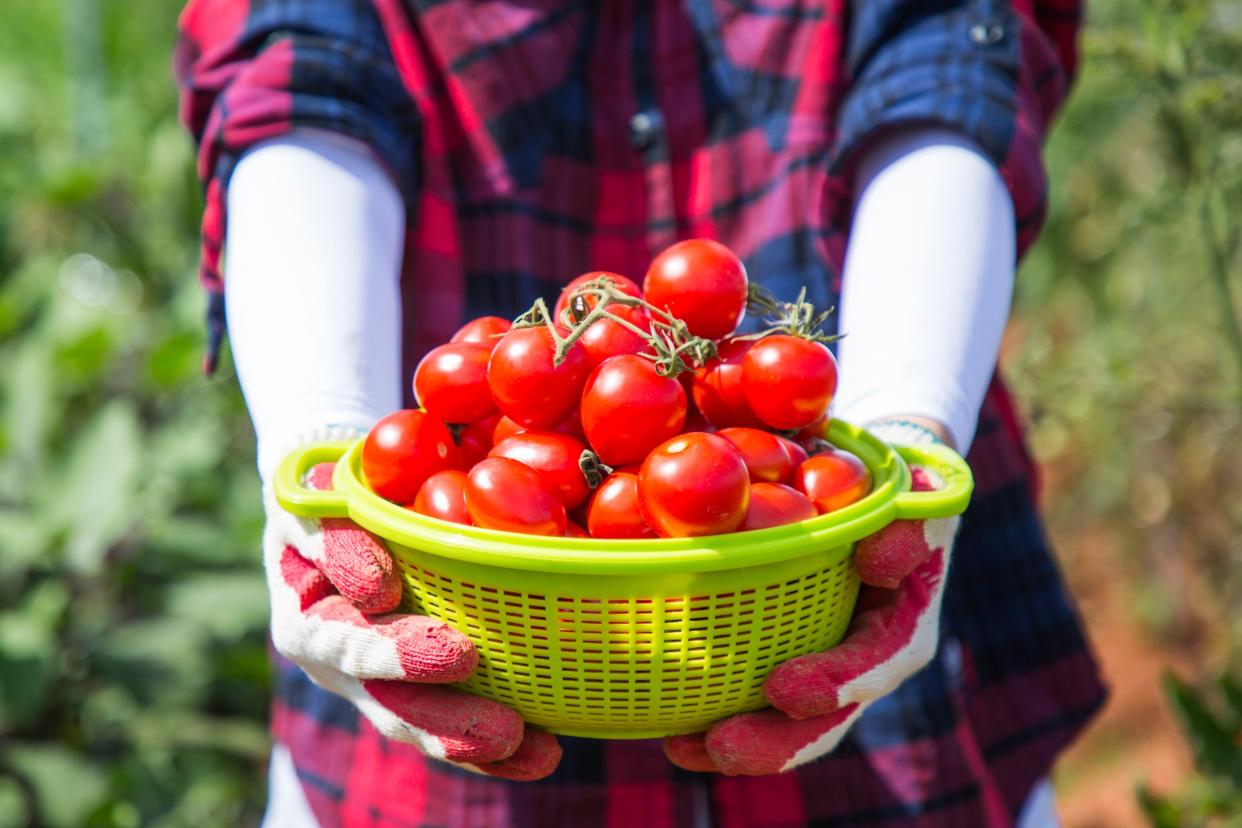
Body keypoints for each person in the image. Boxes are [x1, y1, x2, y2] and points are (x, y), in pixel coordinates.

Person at [175, 0, 1106, 825]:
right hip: (450, 709)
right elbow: (299, 68)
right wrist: (318, 420)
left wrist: (912, 411)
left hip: (866, 683)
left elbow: (946, 48)